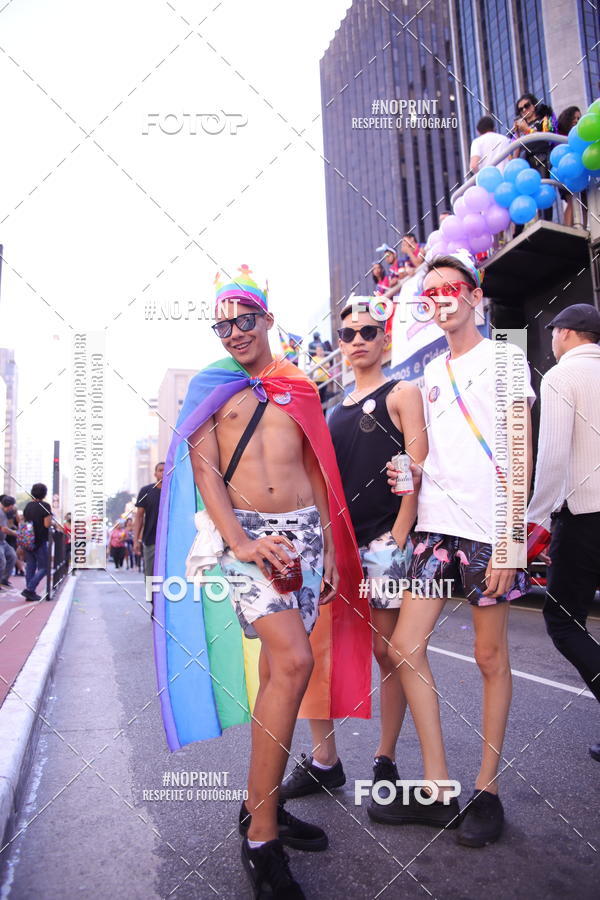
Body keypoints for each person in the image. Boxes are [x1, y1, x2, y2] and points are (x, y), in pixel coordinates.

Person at [152, 266, 370, 898]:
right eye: (222, 325)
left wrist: (329, 543)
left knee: (281, 674)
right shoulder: (211, 388)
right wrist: (242, 542)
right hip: (251, 540)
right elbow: (206, 473)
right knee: (296, 662)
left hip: (303, 536)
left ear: (268, 320)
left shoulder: (300, 385)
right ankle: (259, 837)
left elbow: (317, 466)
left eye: (244, 320)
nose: (233, 334)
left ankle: (261, 804)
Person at [386, 251, 535, 845]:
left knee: (489, 658)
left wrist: (511, 541)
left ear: (475, 295)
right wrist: (408, 481)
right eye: (431, 293)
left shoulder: (506, 356)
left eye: (451, 288)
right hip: (434, 529)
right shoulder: (431, 376)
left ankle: (487, 789)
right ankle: (440, 785)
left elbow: (520, 449)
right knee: (403, 646)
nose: (442, 298)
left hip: (488, 530)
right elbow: (430, 457)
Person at [281, 299, 428, 816]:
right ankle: (326, 762)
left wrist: (399, 534)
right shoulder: (331, 411)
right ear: (340, 343)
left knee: (388, 653)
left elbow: (417, 465)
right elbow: (321, 484)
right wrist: (318, 542)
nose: (358, 338)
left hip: (382, 546)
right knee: (316, 651)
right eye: (348, 333)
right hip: (335, 548)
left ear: (385, 340)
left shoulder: (403, 392)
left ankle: (385, 760)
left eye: (369, 330)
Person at [527, 304, 600, 761]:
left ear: (567, 333)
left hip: (583, 516)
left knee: (563, 620)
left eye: (553, 332)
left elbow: (552, 457)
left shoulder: (560, 378)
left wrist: (532, 520)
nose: (551, 341)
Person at [134, 461, 165, 598]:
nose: (163, 472)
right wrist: (136, 540)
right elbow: (139, 517)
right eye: (160, 470)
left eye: (166, 469)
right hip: (150, 540)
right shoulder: (146, 491)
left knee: (170, 576)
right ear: (155, 473)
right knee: (150, 576)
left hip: (171, 541)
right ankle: (154, 605)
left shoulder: (176, 490)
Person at [22, 483, 52, 602]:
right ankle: (29, 589)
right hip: (40, 540)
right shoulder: (45, 506)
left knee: (30, 567)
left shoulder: (28, 506)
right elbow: (46, 524)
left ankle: (31, 592)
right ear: (44, 493)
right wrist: (52, 522)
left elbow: (25, 521)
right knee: (44, 567)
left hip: (28, 539)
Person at [558, 107, 583, 226]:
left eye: (579, 118)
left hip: (581, 172)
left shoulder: (581, 134)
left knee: (584, 200)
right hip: (566, 171)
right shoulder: (561, 136)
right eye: (574, 118)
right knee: (572, 200)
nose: (577, 120)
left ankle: (584, 228)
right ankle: (568, 229)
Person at [0, 495, 18, 588]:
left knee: (12, 556)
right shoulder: (1, 513)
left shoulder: (5, 512)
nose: (11, 508)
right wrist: (16, 533)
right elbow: (4, 529)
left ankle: (4, 579)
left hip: (3, 541)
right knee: (2, 561)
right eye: (11, 506)